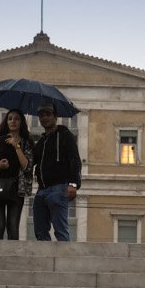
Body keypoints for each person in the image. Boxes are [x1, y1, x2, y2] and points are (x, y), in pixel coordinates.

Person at [32, 101, 81, 241]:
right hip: (41, 190)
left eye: (47, 114)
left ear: (55, 116)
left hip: (59, 188)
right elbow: (31, 161)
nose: (44, 118)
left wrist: (73, 184)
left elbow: (75, 161)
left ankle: (65, 262)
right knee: (40, 232)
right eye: (41, 116)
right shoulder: (42, 141)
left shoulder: (66, 136)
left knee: (61, 231)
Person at [0, 109, 34, 240]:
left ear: (21, 122)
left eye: (17, 118)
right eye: (10, 118)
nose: (13, 121)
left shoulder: (26, 143)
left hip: (17, 189)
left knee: (13, 227)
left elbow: (27, 166)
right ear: (6, 122)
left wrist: (16, 146)